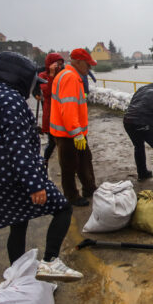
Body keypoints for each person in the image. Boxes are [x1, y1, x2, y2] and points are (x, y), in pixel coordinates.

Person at [0, 54, 82, 281]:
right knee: (62, 209)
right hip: (13, 176)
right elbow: (18, 148)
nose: (33, 88)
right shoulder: (11, 100)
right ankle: (50, 262)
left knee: (18, 223)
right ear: (18, 76)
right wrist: (35, 185)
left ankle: (17, 277)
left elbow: (2, 138)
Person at [50, 48, 97, 207]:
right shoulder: (69, 78)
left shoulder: (71, 76)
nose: (89, 69)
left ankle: (89, 188)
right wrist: (76, 133)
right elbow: (68, 110)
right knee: (69, 166)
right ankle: (72, 196)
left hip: (75, 132)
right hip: (68, 134)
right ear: (77, 62)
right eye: (87, 65)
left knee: (85, 160)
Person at [33, 52, 65, 169]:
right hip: (50, 112)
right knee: (52, 142)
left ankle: (66, 165)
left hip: (62, 112)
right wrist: (51, 75)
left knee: (63, 143)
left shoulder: (62, 75)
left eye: (61, 65)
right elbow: (48, 92)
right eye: (57, 64)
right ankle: (44, 163)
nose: (59, 67)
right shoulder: (43, 76)